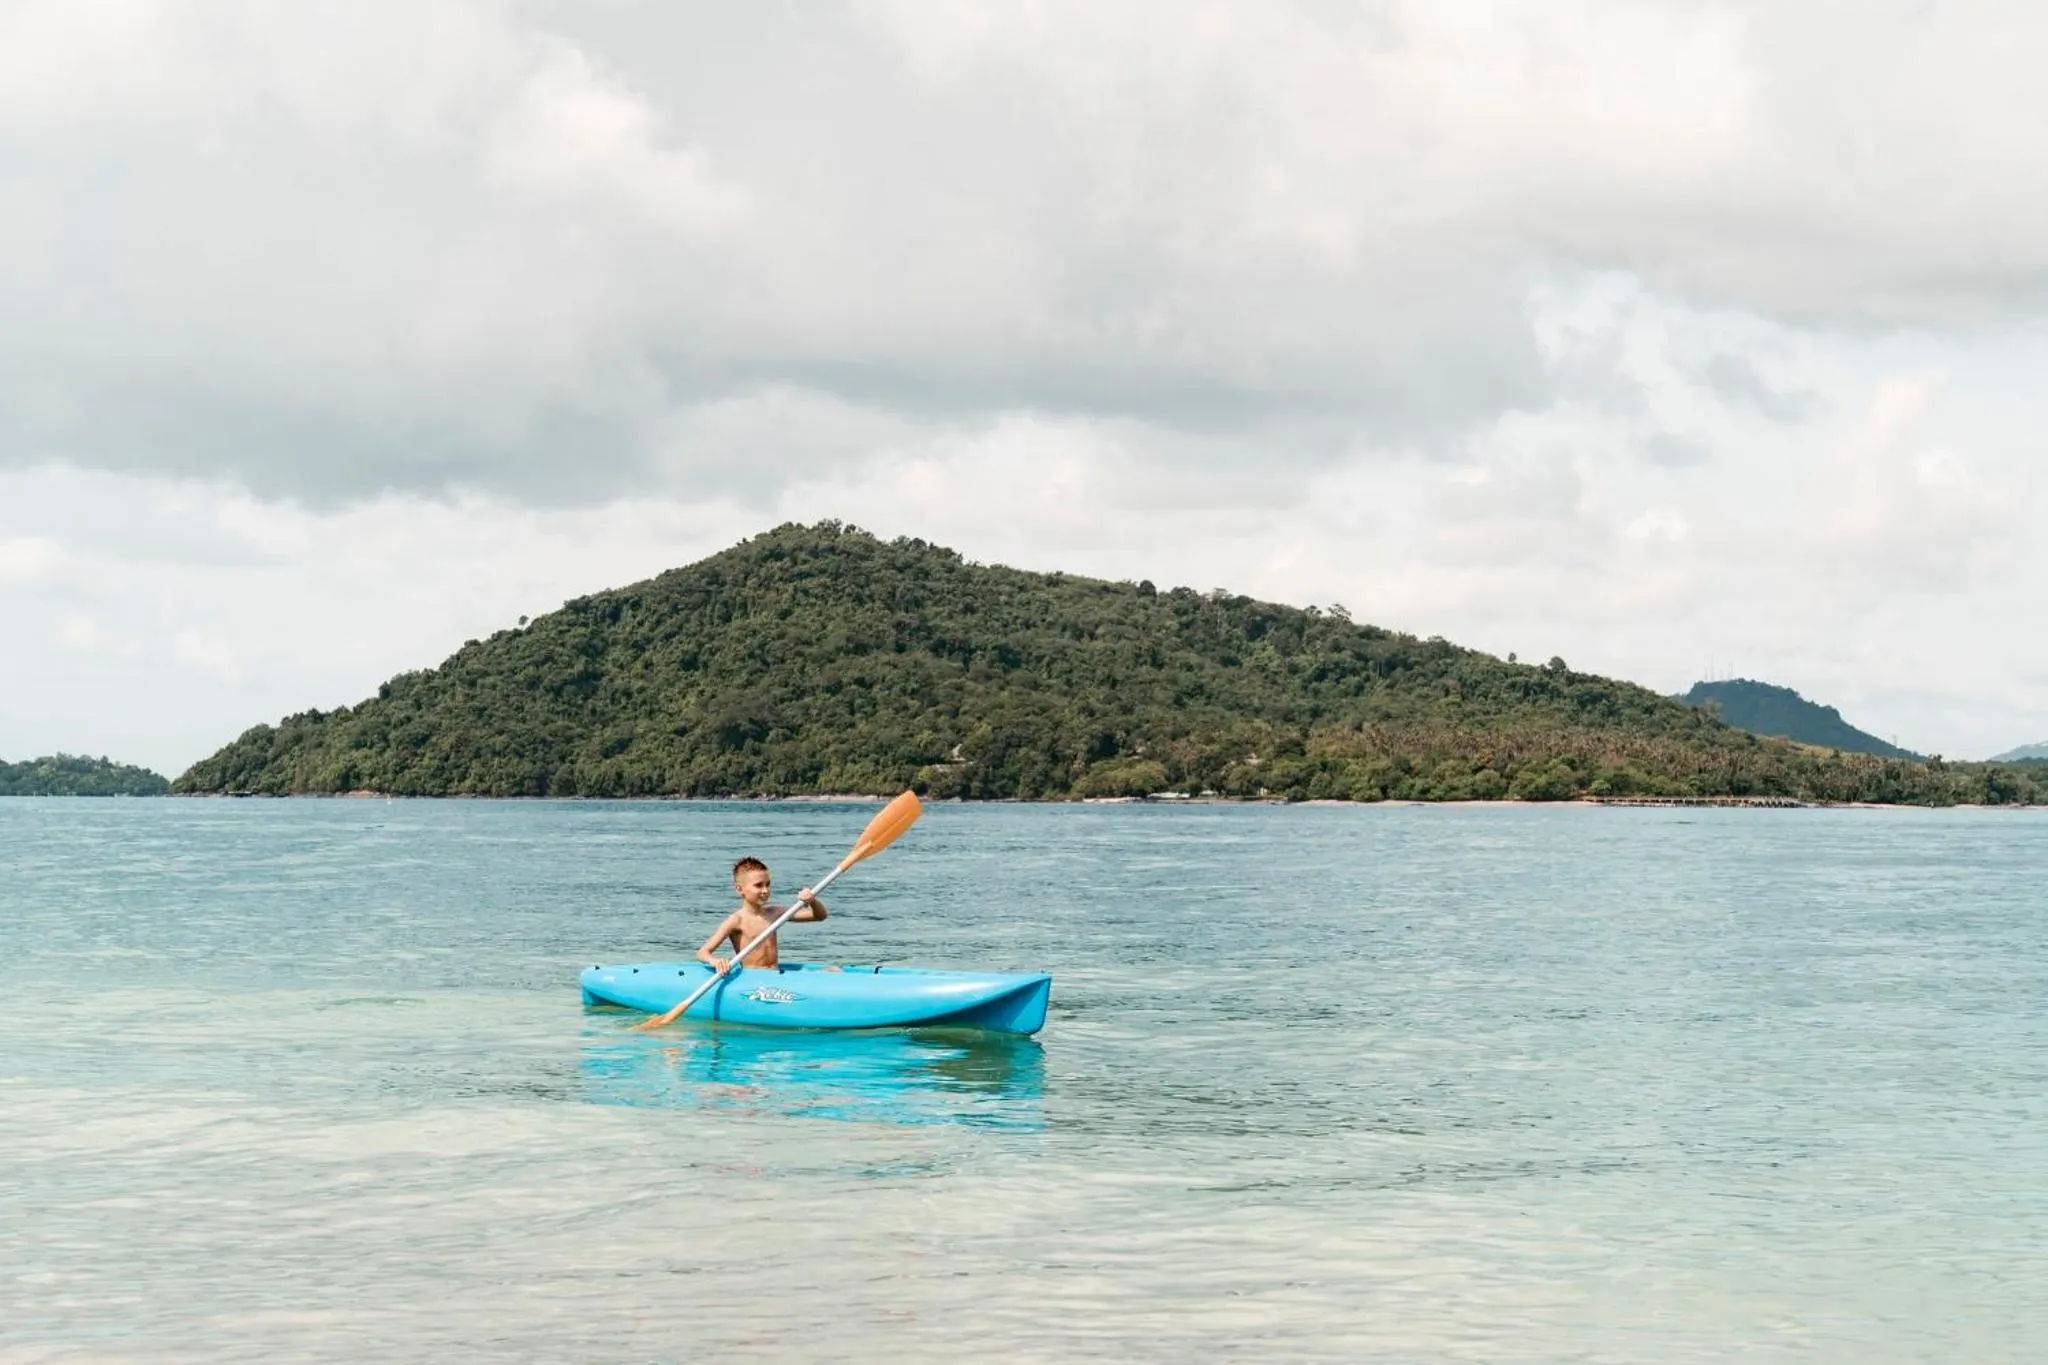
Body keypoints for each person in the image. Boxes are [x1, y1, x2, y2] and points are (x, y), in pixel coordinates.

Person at [695, 856, 827, 974]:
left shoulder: (775, 913)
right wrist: (716, 961)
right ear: (739, 889)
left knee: (833, 970)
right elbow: (702, 953)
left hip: (775, 974)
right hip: (753, 978)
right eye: (758, 886)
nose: (765, 890)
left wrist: (812, 901)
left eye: (767, 885)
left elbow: (819, 916)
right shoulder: (737, 920)